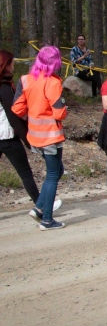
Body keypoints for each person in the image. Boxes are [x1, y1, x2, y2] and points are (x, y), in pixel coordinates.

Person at [0, 50, 62, 217]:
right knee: (37, 173)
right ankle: (42, 210)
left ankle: (40, 205)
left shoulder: (23, 80)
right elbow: (13, 115)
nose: (14, 66)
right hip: (13, 136)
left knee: (52, 171)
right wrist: (26, 137)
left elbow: (16, 109)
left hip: (19, 135)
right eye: (12, 63)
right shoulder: (5, 87)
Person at [12, 46, 68, 230]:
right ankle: (47, 219)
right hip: (50, 136)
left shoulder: (25, 80)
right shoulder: (53, 82)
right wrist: (62, 109)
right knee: (53, 175)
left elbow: (17, 109)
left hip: (34, 136)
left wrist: (33, 115)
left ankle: (39, 209)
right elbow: (59, 114)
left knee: (57, 170)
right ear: (55, 62)